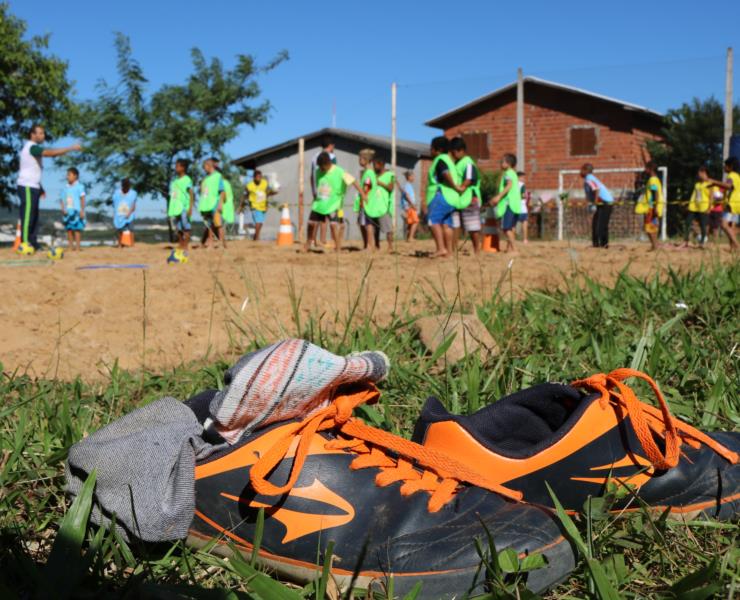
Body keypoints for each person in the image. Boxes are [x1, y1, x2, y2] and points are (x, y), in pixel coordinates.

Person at [16, 124, 81, 251]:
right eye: (39, 133)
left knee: (34, 216)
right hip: (27, 186)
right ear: (32, 135)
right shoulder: (31, 147)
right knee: (28, 215)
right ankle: (24, 244)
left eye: (43, 133)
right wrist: (70, 148)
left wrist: (40, 187)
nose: (42, 135)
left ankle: (33, 243)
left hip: (34, 186)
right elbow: (49, 153)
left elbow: (32, 170)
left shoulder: (34, 148)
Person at [304, 152, 365, 252]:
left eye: (323, 167)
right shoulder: (318, 171)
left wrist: (363, 194)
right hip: (320, 202)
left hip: (334, 203)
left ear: (328, 163)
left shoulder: (339, 171)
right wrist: (315, 195)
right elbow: (315, 181)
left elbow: (353, 181)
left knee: (334, 225)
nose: (321, 169)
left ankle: (338, 247)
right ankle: (308, 243)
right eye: (320, 167)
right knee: (311, 223)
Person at [423, 136, 463, 258]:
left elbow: (445, 173)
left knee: (432, 220)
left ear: (438, 149)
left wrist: (455, 186)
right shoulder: (450, 161)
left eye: (431, 148)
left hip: (441, 195)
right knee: (447, 224)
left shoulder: (440, 159)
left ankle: (441, 248)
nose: (430, 151)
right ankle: (449, 252)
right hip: (452, 199)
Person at [450, 137, 482, 254]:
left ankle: (477, 250)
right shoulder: (457, 163)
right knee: (455, 225)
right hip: (458, 198)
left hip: (469, 198)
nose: (453, 155)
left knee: (472, 227)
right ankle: (453, 249)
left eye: (454, 152)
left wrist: (460, 189)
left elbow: (468, 179)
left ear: (460, 150)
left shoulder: (468, 163)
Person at [489, 154, 522, 253]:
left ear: (509, 164)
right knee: (511, 227)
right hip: (515, 204)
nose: (500, 163)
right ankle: (509, 248)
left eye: (502, 162)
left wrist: (498, 197)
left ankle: (515, 249)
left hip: (509, 204)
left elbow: (509, 185)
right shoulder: (513, 173)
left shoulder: (508, 173)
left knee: (506, 228)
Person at [706, 156, 740, 250]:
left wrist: (714, 181)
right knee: (730, 226)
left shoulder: (732, 175)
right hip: (737, 203)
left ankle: (737, 245)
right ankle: (733, 248)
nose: (724, 167)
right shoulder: (737, 176)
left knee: (723, 224)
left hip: (732, 203)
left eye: (725, 166)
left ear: (731, 166)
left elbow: (728, 186)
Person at [310, 135, 337, 247]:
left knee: (316, 215)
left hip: (318, 189)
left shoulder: (314, 156)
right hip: (328, 190)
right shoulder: (332, 156)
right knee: (326, 216)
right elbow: (334, 174)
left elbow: (311, 176)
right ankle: (323, 240)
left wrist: (313, 191)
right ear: (331, 146)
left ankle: (312, 240)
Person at [580, 164, 614, 248]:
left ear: (586, 170)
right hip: (602, 203)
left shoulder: (589, 179)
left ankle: (602, 244)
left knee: (600, 224)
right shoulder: (590, 178)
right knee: (596, 223)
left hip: (604, 203)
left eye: (581, 170)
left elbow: (596, 189)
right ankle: (598, 243)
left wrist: (594, 203)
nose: (580, 172)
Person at [366, 156, 395, 252]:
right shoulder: (373, 175)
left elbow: (391, 188)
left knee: (388, 228)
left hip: (383, 206)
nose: (373, 167)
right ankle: (376, 245)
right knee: (375, 227)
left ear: (380, 165)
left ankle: (390, 246)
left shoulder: (390, 175)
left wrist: (380, 183)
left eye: (375, 165)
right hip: (373, 205)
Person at [680, 166, 712, 248]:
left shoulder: (709, 183)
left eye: (699, 173)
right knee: (687, 222)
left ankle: (702, 243)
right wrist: (689, 205)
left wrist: (709, 208)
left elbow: (711, 197)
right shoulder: (697, 184)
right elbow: (694, 195)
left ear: (703, 173)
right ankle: (686, 240)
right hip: (694, 207)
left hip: (703, 207)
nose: (698, 175)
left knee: (703, 225)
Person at [168, 159, 194, 253]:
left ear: (183, 168)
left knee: (185, 226)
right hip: (176, 208)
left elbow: (191, 194)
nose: (176, 168)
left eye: (177, 166)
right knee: (178, 227)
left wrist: (190, 208)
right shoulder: (174, 181)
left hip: (184, 207)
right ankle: (181, 244)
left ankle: (186, 245)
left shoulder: (187, 179)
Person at [198, 158, 226, 248]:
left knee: (218, 224)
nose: (204, 168)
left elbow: (222, 191)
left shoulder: (218, 176)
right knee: (209, 225)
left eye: (205, 166)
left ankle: (221, 243)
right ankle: (210, 243)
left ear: (209, 166)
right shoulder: (205, 179)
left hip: (215, 204)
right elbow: (204, 192)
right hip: (207, 206)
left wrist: (220, 203)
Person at [354, 149, 376, 250]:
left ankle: (370, 245)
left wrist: (363, 195)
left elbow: (367, 186)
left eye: (360, 158)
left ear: (366, 160)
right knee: (362, 223)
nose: (359, 160)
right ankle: (366, 244)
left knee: (368, 224)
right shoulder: (367, 172)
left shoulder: (368, 173)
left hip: (367, 202)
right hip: (365, 201)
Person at [246, 170, 276, 241]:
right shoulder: (250, 185)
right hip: (254, 206)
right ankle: (256, 238)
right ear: (254, 177)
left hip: (262, 205)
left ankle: (255, 236)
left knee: (260, 222)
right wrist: (246, 203)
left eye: (260, 177)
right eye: (257, 177)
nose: (259, 178)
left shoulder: (264, 183)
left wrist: (273, 193)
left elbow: (267, 193)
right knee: (258, 222)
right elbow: (246, 194)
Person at [60, 167, 86, 251]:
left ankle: (78, 247)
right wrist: (63, 209)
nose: (67, 177)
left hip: (77, 211)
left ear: (75, 176)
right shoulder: (65, 188)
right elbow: (62, 199)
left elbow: (82, 198)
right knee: (69, 229)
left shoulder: (80, 186)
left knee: (77, 229)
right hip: (68, 211)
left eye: (69, 175)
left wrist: (82, 210)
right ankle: (70, 247)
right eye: (67, 175)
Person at [641, 162, 664, 251]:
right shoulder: (656, 179)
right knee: (652, 226)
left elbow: (655, 193)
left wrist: (654, 206)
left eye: (646, 168)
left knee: (649, 226)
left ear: (650, 169)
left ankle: (654, 245)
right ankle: (655, 245)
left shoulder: (653, 180)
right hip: (653, 206)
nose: (645, 170)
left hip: (651, 207)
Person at [113, 178, 137, 247]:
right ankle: (120, 244)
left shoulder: (133, 193)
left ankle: (132, 245)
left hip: (129, 214)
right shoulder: (117, 193)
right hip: (120, 214)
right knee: (120, 229)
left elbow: (133, 205)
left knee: (131, 229)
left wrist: (129, 213)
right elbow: (115, 204)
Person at [399, 170, 419, 241]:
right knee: (415, 221)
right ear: (409, 177)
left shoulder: (408, 185)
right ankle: (411, 237)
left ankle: (408, 237)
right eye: (413, 176)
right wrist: (412, 205)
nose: (414, 178)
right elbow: (407, 196)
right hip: (410, 206)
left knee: (410, 222)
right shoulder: (407, 186)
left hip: (409, 206)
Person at [517, 172, 530, 245]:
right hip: (522, 206)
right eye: (523, 177)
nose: (524, 179)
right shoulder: (522, 185)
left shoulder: (512, 184)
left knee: (513, 223)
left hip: (514, 206)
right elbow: (523, 196)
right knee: (524, 222)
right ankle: (525, 239)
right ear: (519, 177)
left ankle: (512, 239)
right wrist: (527, 196)